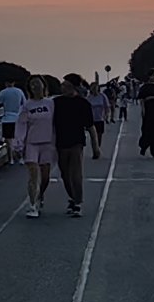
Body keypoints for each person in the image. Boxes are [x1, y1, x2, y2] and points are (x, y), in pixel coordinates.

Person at [51, 74, 95, 215]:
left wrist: (96, 146)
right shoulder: (56, 102)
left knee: (76, 174)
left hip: (76, 142)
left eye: (66, 85)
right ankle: (72, 197)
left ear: (74, 87)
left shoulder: (83, 104)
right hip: (60, 142)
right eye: (62, 85)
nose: (63, 87)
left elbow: (90, 126)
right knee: (64, 174)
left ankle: (78, 202)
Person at [14, 78, 57, 216]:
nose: (35, 86)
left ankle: (40, 195)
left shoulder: (51, 103)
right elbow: (21, 125)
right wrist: (18, 145)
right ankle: (32, 205)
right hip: (32, 143)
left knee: (45, 177)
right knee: (33, 174)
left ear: (43, 86)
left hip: (47, 143)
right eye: (32, 84)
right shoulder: (27, 106)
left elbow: (56, 123)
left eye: (38, 83)